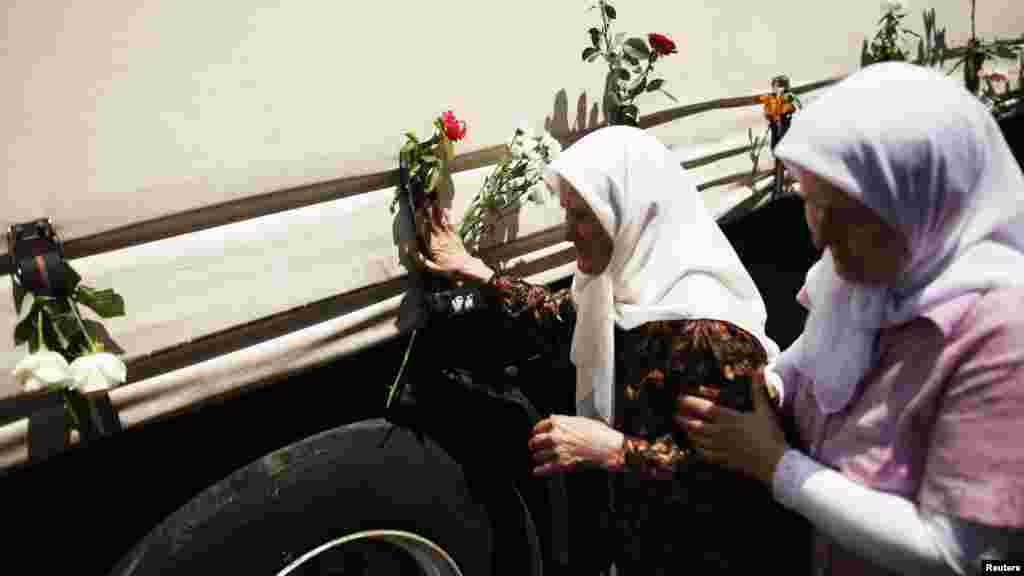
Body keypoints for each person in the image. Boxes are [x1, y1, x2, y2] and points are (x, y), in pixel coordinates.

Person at [679, 62, 1024, 575]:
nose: (819, 237)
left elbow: (965, 558)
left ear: (921, 199)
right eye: (813, 205)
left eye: (846, 215)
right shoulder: (860, 276)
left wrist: (776, 467)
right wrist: (767, 387)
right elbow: (810, 361)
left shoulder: (1002, 334)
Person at [416, 125, 805, 574]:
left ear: (629, 212)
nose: (568, 232)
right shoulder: (624, 292)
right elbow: (564, 318)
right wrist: (477, 272)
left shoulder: (711, 333)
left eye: (582, 216)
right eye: (568, 213)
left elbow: (735, 475)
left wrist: (613, 449)